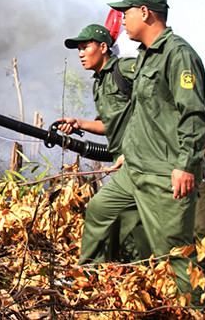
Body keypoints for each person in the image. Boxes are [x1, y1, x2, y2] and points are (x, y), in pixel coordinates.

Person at [79, 0, 205, 296]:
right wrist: (127, 151)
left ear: (145, 13)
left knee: (175, 253)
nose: (122, 20)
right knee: (99, 209)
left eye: (127, 12)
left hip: (165, 173)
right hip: (135, 168)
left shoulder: (178, 55)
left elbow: (193, 113)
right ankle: (91, 282)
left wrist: (187, 165)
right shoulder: (146, 57)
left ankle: (191, 311)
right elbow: (139, 114)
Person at [58, 24, 150, 262]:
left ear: (103, 47)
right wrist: (79, 123)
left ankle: (88, 274)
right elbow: (107, 124)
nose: (80, 53)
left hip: (141, 157)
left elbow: (153, 106)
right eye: (78, 49)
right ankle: (135, 276)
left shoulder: (126, 69)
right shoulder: (99, 83)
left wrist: (131, 150)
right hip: (125, 159)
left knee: (100, 208)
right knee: (135, 227)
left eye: (85, 47)